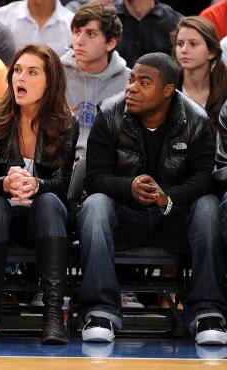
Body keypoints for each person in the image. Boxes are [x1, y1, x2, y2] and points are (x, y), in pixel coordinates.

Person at [78, 52, 227, 345]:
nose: (132, 87)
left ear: (168, 90)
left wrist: (167, 197)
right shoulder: (109, 113)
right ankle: (100, 311)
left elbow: (204, 178)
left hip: (175, 218)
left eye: (144, 82)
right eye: (131, 79)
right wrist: (129, 187)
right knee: (94, 204)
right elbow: (94, 177)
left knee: (209, 206)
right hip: (125, 217)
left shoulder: (195, 119)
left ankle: (207, 312)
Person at [0, 43, 78, 344]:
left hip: (40, 222)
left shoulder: (65, 124)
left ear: (50, 81)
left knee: (49, 202)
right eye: (18, 70)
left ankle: (53, 315)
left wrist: (37, 184)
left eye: (32, 72)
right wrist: (4, 182)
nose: (21, 78)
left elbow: (63, 183)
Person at [62, 3, 128, 157]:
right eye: (77, 32)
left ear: (111, 43)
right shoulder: (55, 73)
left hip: (109, 164)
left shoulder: (129, 82)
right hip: (59, 163)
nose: (79, 41)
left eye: (91, 34)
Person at [172, 16, 227, 136]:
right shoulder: (167, 85)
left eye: (193, 44)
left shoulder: (224, 87)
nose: (184, 50)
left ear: (211, 52)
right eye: (180, 44)